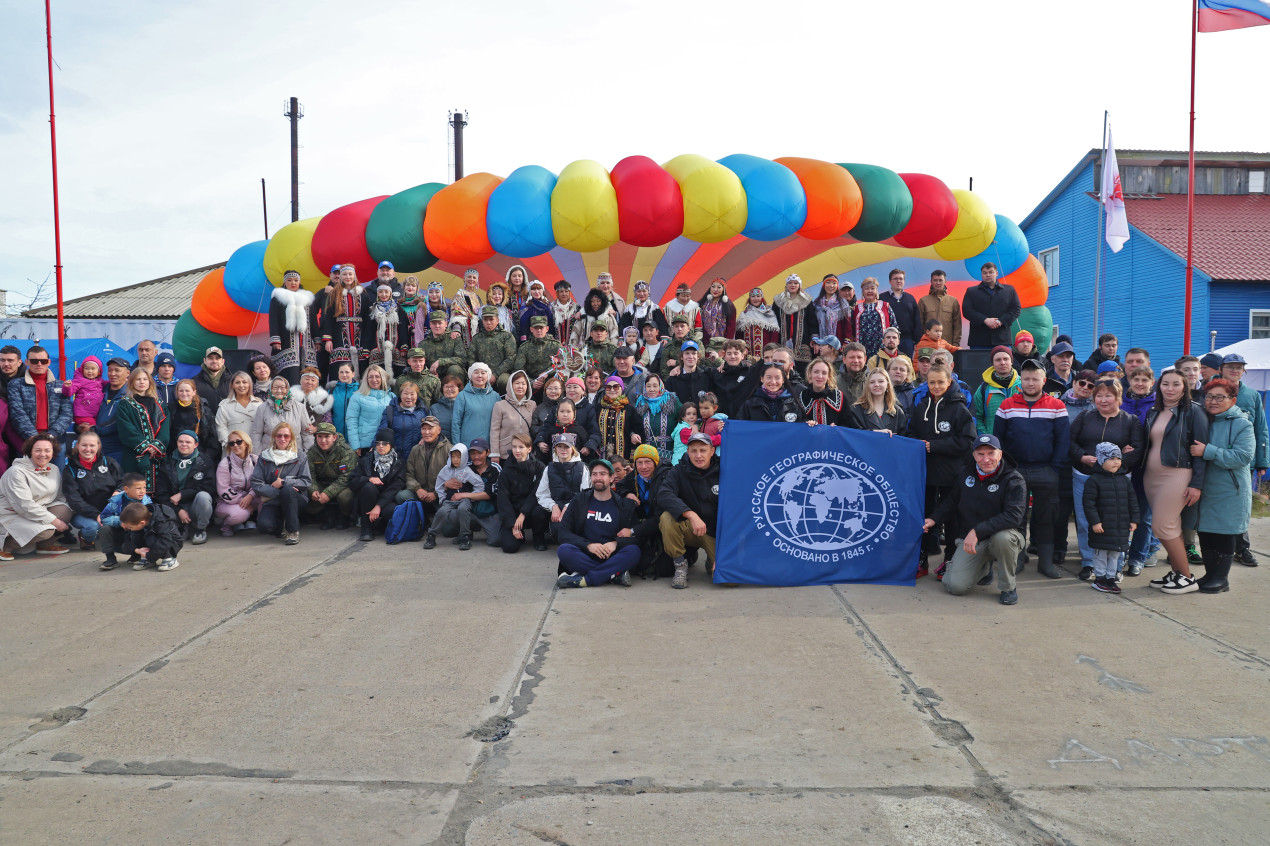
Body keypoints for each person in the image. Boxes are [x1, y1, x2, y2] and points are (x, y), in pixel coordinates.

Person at [925, 434, 1027, 605]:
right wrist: (934, 519)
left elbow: (1014, 516)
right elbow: (952, 501)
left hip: (1001, 537)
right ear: (973, 455)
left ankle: (1008, 587)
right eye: (980, 454)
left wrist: (977, 531)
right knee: (954, 586)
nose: (986, 459)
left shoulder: (1014, 479)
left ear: (1000, 454)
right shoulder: (965, 473)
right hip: (973, 541)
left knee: (1003, 538)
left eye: (991, 453)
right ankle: (983, 569)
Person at [993, 359, 1070, 579]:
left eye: (1035, 379)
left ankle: (1045, 563)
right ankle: (1017, 559)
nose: (1030, 383)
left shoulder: (1057, 406)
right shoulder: (1007, 405)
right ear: (1020, 380)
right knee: (1017, 517)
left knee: (1046, 517)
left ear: (1043, 380)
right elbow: (999, 439)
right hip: (1015, 471)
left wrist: (1054, 468)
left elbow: (1063, 441)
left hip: (1046, 470)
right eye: (1026, 378)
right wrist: (1006, 468)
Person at [1068, 380, 1145, 581]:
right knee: (1086, 521)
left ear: (1118, 398)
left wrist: (1117, 464)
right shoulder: (1085, 416)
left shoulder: (1130, 421)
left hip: (1117, 480)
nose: (1103, 400)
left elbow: (1137, 449)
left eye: (1108, 395)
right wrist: (1082, 457)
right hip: (1085, 476)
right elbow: (1071, 442)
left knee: (1116, 523)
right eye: (1099, 396)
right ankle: (1088, 563)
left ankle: (1116, 566)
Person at [1139, 369, 1208, 587]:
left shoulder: (1194, 411)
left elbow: (1201, 451)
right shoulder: (1154, 411)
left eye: (1176, 384)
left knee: (1162, 525)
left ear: (1185, 386)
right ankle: (1176, 573)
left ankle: (1186, 577)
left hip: (1177, 474)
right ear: (1158, 386)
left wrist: (1196, 484)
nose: (1170, 389)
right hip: (1151, 476)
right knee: (1171, 527)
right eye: (1165, 384)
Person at [1188, 378, 1256, 593]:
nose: (1213, 401)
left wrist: (1208, 451)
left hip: (1229, 489)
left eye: (1220, 397)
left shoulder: (1242, 424)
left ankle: (1221, 578)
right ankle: (1210, 574)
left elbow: (1243, 456)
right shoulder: (1201, 419)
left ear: (1233, 400)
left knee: (1224, 533)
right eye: (1209, 397)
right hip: (1205, 487)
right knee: (1206, 532)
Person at [907, 365, 976, 575]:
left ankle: (949, 560)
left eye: (940, 382)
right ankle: (922, 560)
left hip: (951, 475)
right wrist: (915, 443)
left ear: (949, 382)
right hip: (926, 475)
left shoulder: (959, 409)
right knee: (924, 516)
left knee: (952, 518)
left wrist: (934, 446)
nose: (936, 386)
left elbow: (967, 441)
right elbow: (910, 435)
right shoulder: (921, 408)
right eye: (932, 382)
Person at [555, 458, 641, 589]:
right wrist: (588, 545)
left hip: (612, 555)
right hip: (586, 554)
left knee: (634, 551)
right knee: (564, 550)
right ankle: (614, 575)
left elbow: (636, 538)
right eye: (594, 474)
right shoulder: (579, 500)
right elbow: (562, 533)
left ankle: (586, 579)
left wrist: (616, 543)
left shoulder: (624, 505)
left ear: (612, 478)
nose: (598, 478)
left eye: (602, 474)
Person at [1218, 353, 1269, 565]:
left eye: (1239, 367)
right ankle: (1212, 547)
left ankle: (1242, 548)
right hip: (1213, 456)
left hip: (1241, 461)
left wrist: (1263, 461)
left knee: (1241, 505)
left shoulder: (1251, 395)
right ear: (1221, 369)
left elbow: (1261, 429)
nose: (1235, 370)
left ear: (1244, 371)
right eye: (1230, 366)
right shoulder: (1211, 391)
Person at [659, 432, 721, 589]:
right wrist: (690, 514)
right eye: (694, 450)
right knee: (667, 518)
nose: (698, 455)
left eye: (703, 450)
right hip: (690, 528)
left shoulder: (724, 470)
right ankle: (680, 566)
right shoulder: (678, 470)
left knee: (730, 581)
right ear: (688, 452)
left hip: (716, 533)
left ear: (712, 451)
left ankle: (712, 559)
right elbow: (664, 494)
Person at [0, 433, 73, 560]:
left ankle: (44, 546)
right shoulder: (16, 472)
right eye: (38, 450)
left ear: (53, 452)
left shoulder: (54, 469)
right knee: (46, 531)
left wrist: (60, 517)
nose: (42, 454)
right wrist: (54, 521)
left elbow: (59, 497)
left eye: (47, 451)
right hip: (13, 513)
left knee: (66, 511)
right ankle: (5, 547)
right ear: (30, 451)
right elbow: (24, 505)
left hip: (37, 511)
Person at [1082, 443, 1140, 594]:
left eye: (1118, 458)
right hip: (1102, 526)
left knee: (1115, 553)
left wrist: (1134, 519)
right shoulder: (1094, 481)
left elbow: (1132, 500)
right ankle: (1100, 578)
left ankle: (1110, 578)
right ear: (1101, 460)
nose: (1116, 462)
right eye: (1111, 458)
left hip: (1120, 527)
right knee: (1101, 553)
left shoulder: (1124, 480)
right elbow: (1089, 504)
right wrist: (1095, 522)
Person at [62, 430, 122, 552]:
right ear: (77, 445)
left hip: (110, 510)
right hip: (83, 513)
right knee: (93, 527)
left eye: (92, 445)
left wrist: (118, 491)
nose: (87, 449)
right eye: (84, 445)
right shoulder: (70, 469)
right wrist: (96, 515)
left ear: (98, 446)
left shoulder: (109, 462)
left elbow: (122, 481)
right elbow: (74, 500)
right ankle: (86, 538)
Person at [250, 422, 310, 544]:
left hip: (296, 499)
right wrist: (279, 492)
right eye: (279, 436)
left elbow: (306, 481)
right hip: (272, 499)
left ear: (291, 438)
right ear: (274, 437)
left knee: (288, 490)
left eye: (286, 436)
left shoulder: (300, 456)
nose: (282, 439)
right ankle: (281, 523)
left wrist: (284, 482)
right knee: (264, 527)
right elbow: (256, 483)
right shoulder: (264, 457)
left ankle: (293, 531)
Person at [155, 430, 215, 545]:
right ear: (176, 443)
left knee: (204, 496)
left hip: (195, 505)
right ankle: (183, 527)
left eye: (188, 442)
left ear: (196, 444)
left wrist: (183, 494)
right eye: (181, 441)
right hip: (175, 506)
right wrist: (179, 511)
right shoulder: (167, 462)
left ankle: (200, 530)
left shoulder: (205, 462)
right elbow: (161, 493)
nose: (184, 444)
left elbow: (210, 488)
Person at [116, 368, 169, 493]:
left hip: (157, 456)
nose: (142, 382)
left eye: (145, 379)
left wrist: (155, 447)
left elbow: (165, 428)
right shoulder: (125, 404)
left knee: (160, 493)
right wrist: (145, 448)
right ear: (132, 382)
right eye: (138, 379)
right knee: (135, 492)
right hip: (134, 455)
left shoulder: (160, 404)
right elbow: (127, 429)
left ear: (150, 382)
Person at [8, 345, 74, 443]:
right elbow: (17, 413)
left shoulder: (61, 385)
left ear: (49, 362)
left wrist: (53, 434)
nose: (39, 364)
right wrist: (32, 436)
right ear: (26, 362)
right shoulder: (15, 385)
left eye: (43, 361)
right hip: (27, 440)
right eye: (34, 361)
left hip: (56, 440)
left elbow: (67, 412)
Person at [350, 428, 406, 542]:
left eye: (385, 443)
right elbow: (352, 481)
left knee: (393, 510)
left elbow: (397, 486)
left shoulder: (398, 462)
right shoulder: (366, 460)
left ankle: (380, 525)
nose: (381, 446)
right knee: (368, 487)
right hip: (367, 500)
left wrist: (379, 506)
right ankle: (366, 528)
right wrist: (368, 479)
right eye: (378, 443)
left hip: (386, 501)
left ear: (391, 445)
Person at [427, 442, 485, 550]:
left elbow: (479, 484)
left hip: (464, 499)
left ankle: (464, 537)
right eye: (453, 456)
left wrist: (471, 497)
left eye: (459, 457)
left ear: (464, 457)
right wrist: (443, 498)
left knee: (463, 509)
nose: (455, 460)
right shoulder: (446, 469)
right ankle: (431, 535)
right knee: (442, 512)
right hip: (449, 499)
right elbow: (438, 485)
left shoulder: (467, 471)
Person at [497, 433, 548, 553]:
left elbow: (537, 493)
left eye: (521, 447)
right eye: (514, 447)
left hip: (531, 509)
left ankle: (538, 536)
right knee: (509, 547)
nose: (517, 450)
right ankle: (519, 535)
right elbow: (503, 500)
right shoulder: (506, 470)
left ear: (529, 448)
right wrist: (513, 526)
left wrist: (523, 514)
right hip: (513, 513)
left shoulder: (539, 467)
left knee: (540, 511)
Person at [269, 270, 319, 385]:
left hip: (306, 344)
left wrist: (317, 339)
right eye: (289, 280)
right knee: (290, 375)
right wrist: (275, 338)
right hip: (286, 342)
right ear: (284, 282)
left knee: (308, 375)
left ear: (299, 282)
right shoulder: (278, 298)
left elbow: (313, 321)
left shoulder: (307, 299)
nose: (293, 283)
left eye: (296, 280)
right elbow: (273, 319)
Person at [304, 421, 355, 529]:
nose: (323, 440)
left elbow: (346, 477)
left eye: (327, 436)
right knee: (306, 495)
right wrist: (313, 490)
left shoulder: (346, 451)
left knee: (345, 497)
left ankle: (345, 517)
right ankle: (324, 515)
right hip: (322, 484)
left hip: (342, 486)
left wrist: (328, 493)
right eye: (320, 436)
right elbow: (309, 475)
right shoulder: (312, 452)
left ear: (334, 437)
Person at [400, 415, 451, 520]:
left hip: (440, 496)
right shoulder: (415, 449)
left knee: (449, 529)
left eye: (430, 428)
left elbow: (452, 477)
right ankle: (422, 519)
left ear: (439, 430)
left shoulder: (449, 449)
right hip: (421, 495)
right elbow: (409, 474)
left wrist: (436, 494)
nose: (427, 432)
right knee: (402, 495)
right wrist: (418, 489)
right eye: (424, 429)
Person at [323, 265, 369, 377]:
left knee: (361, 368)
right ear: (340, 277)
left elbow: (368, 320)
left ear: (354, 276)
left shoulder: (363, 294)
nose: (348, 277)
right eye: (344, 274)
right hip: (339, 337)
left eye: (350, 274)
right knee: (340, 367)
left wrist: (367, 344)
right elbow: (328, 318)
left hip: (360, 337)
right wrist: (328, 339)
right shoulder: (334, 294)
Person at [961, 263, 1022, 349]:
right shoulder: (972, 291)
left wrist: (1000, 321)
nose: (988, 275)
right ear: (981, 274)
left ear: (996, 273)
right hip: (979, 341)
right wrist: (985, 320)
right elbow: (967, 311)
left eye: (991, 272)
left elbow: (1016, 309)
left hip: (1002, 340)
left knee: (1004, 362)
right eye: (984, 273)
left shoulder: (1009, 290)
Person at [252, 376, 314, 456]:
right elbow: (256, 434)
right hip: (270, 456)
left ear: (287, 389)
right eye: (275, 388)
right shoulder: (262, 408)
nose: (279, 391)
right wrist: (258, 456)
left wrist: (307, 455)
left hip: (294, 456)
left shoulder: (299, 407)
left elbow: (307, 434)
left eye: (282, 387)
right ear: (270, 389)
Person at [118, 500, 184, 572]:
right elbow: (127, 541)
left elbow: (165, 541)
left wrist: (150, 555)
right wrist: (136, 550)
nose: (129, 529)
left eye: (130, 527)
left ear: (142, 523)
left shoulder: (161, 521)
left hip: (172, 543)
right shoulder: (138, 521)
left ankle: (169, 558)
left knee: (151, 538)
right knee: (135, 535)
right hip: (155, 545)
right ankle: (148, 560)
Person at [489, 370, 537, 465]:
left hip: (526, 453)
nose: (520, 386)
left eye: (523, 383)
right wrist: (495, 453)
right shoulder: (500, 405)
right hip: (505, 454)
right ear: (510, 386)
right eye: (517, 383)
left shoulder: (532, 404)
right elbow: (494, 430)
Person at [215, 430, 257, 536]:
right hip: (228, 502)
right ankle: (226, 524)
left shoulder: (256, 460)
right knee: (240, 514)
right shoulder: (225, 464)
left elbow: (260, 482)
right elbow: (223, 490)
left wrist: (250, 496)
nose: (235, 445)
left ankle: (254, 522)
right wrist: (244, 501)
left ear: (246, 443)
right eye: (231, 443)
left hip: (251, 497)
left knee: (267, 503)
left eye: (239, 442)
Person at [343, 364, 392, 456]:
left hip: (384, 445)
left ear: (382, 378)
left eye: (377, 377)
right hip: (364, 446)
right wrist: (355, 445)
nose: (374, 380)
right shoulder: (357, 397)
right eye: (370, 377)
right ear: (366, 379)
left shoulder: (390, 397)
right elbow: (351, 422)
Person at [971, 346, 1021, 435]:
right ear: (992, 363)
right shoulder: (984, 389)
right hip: (993, 444)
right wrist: (985, 438)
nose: (1002, 363)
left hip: (1018, 442)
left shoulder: (1023, 385)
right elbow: (977, 416)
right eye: (998, 360)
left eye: (1006, 359)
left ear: (1011, 361)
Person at [634, 373, 681, 464]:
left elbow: (685, 415)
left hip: (668, 453)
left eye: (655, 386)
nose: (652, 389)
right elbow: (634, 424)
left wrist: (693, 425)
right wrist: (633, 434)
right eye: (648, 386)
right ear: (644, 387)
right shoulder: (640, 403)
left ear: (660, 386)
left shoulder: (671, 401)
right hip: (647, 455)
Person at [470, 306, 519, 392]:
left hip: (501, 373)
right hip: (481, 373)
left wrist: (495, 375)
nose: (488, 322)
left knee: (504, 381)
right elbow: (471, 359)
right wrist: (480, 373)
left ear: (497, 320)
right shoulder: (477, 338)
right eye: (485, 320)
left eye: (491, 319)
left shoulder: (507, 336)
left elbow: (510, 359)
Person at [465, 437, 502, 547]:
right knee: (449, 527)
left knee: (496, 541)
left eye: (480, 453)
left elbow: (488, 495)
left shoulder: (495, 468)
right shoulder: (466, 468)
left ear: (487, 452)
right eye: (473, 453)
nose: (476, 457)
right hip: (470, 510)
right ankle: (466, 532)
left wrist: (463, 494)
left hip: (489, 511)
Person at [167, 378, 216, 460]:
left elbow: (212, 436)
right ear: (177, 393)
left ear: (194, 392)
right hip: (175, 456)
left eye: (187, 391)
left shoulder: (203, 410)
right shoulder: (170, 409)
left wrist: (206, 457)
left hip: (200, 455)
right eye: (181, 391)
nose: (184, 393)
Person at [452, 362, 499, 448]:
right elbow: (456, 423)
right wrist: (457, 447)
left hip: (489, 447)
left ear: (488, 376)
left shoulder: (495, 396)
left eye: (483, 373)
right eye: (476, 372)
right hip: (468, 446)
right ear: (470, 376)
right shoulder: (462, 396)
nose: (480, 376)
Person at [772, 274, 816, 362]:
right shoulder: (778, 301)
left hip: (803, 341)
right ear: (786, 285)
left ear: (799, 285)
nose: (793, 285)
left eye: (796, 283)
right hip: (782, 341)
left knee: (802, 368)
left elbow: (812, 321)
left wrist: (814, 338)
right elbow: (774, 321)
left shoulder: (806, 301)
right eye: (790, 283)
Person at [378, 380, 427, 459]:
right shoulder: (390, 411)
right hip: (396, 457)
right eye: (405, 393)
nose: (409, 397)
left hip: (418, 457)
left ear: (417, 395)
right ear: (400, 395)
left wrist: (423, 437)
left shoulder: (423, 411)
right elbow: (382, 431)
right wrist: (374, 445)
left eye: (412, 394)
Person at [737, 364, 801, 423]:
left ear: (783, 380)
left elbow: (801, 425)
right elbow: (739, 427)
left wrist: (809, 424)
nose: (773, 382)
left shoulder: (793, 404)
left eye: (777, 378)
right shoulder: (750, 404)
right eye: (769, 377)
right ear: (762, 379)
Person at [850, 369, 907, 435]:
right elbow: (853, 435)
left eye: (881, 381)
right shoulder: (856, 409)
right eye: (872, 382)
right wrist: (874, 433)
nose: (876, 384)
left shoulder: (897, 412)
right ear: (867, 386)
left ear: (888, 385)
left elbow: (903, 439)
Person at [215, 372, 263, 450]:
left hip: (255, 450)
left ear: (249, 384)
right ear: (232, 385)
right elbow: (220, 427)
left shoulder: (259, 404)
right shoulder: (225, 405)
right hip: (233, 449)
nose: (241, 385)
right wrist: (230, 444)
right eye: (237, 382)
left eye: (244, 382)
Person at [879, 268, 921, 356]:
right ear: (890, 281)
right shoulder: (882, 298)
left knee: (905, 366)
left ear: (904, 281)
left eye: (901, 279)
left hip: (907, 340)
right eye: (896, 279)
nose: (898, 281)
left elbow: (917, 320)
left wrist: (917, 340)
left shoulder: (910, 298)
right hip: (888, 339)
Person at [917, 269, 962, 348]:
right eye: (935, 280)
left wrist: (955, 344)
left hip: (947, 345)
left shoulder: (953, 301)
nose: (938, 283)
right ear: (931, 282)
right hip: (928, 345)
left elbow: (957, 325)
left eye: (940, 280)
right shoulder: (923, 301)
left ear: (945, 281)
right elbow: (919, 324)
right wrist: (921, 342)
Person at [799, 359, 851, 426]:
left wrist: (838, 428)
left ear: (828, 377)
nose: (820, 376)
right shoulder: (803, 397)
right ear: (810, 374)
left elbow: (848, 424)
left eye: (824, 373)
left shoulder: (838, 396)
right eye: (816, 372)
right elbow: (798, 424)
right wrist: (806, 424)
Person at [735, 287, 781, 361]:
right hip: (748, 354)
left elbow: (774, 333)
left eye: (758, 296)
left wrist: (772, 349)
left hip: (766, 353)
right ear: (749, 298)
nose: (755, 298)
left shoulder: (769, 313)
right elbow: (739, 335)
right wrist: (741, 349)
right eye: (753, 296)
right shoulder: (744, 315)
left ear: (762, 298)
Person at [812, 274, 854, 346]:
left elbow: (847, 325)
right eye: (828, 282)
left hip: (838, 342)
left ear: (837, 286)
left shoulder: (843, 303)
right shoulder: (817, 304)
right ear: (823, 285)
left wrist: (846, 341)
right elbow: (813, 324)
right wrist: (815, 340)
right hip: (820, 343)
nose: (831, 286)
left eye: (834, 283)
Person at [70, 356, 106, 434]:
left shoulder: (100, 381)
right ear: (82, 370)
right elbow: (69, 391)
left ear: (99, 371)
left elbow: (108, 385)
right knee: (93, 432)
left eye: (93, 369)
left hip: (95, 414)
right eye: (86, 368)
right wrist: (67, 387)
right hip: (83, 415)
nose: (89, 371)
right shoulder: (79, 380)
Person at [697, 278, 736, 346]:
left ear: (723, 289)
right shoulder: (702, 303)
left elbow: (731, 326)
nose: (715, 289)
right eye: (713, 286)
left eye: (719, 287)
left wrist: (727, 342)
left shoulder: (729, 305)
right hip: (704, 341)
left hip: (722, 342)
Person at [193, 347, 232, 414]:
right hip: (205, 422)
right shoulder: (194, 382)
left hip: (228, 422)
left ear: (223, 361)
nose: (214, 361)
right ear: (205, 360)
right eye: (210, 358)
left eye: (217, 358)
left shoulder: (234, 381)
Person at [430, 375, 463, 445]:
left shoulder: (465, 407)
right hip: (440, 447)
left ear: (459, 389)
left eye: (452, 387)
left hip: (462, 448)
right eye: (446, 387)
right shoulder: (434, 408)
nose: (449, 389)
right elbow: (429, 429)